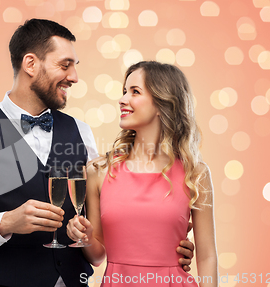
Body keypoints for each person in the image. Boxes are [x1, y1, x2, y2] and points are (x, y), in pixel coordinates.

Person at [0, 19, 195, 287]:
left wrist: (167, 247)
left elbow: (105, 225)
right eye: (64, 65)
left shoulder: (81, 131)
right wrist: (6, 223)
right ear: (31, 64)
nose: (74, 77)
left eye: (74, 67)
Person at [67, 61, 218, 286]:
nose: (122, 99)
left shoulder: (195, 173)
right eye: (124, 91)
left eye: (135, 92)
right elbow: (98, 257)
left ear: (163, 102)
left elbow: (207, 256)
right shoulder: (98, 171)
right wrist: (85, 237)